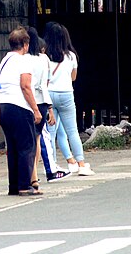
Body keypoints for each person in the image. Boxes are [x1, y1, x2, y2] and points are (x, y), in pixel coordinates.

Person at [44, 22, 95, 176]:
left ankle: (53, 165)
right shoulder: (71, 56)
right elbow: (73, 77)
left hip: (49, 95)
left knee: (51, 133)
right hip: (66, 94)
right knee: (72, 131)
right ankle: (81, 164)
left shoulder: (44, 56)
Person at [0, 27, 42, 196]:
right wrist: (36, 109)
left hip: (4, 106)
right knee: (26, 146)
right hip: (19, 106)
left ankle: (14, 185)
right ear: (25, 44)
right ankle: (25, 185)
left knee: (13, 147)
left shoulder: (5, 60)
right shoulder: (24, 61)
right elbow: (25, 86)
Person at [25, 27, 71, 187]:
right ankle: (47, 170)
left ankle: (30, 175)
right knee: (41, 137)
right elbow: (44, 85)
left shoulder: (19, 59)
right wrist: (49, 108)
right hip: (39, 101)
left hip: (22, 102)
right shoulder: (42, 59)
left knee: (27, 140)